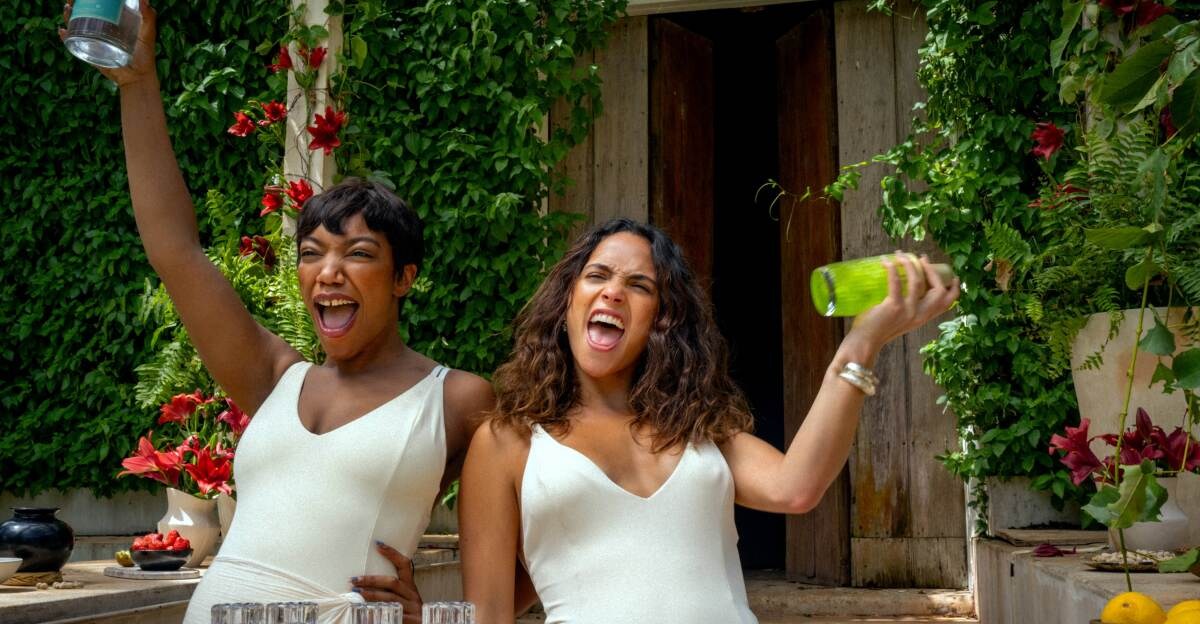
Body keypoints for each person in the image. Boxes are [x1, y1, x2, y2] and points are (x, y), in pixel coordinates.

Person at [63, 2, 494, 622]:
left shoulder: (456, 400)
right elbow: (174, 251)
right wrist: (138, 83)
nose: (329, 272)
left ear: (404, 278)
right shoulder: (273, 376)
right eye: (312, 253)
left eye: (359, 254)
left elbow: (549, 542)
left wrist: (435, 615)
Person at [459, 218, 960, 623]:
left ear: (661, 320)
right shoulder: (508, 442)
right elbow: (488, 615)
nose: (613, 292)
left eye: (638, 285)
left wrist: (861, 344)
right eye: (597, 276)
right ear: (566, 301)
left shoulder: (695, 426)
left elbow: (796, 487)